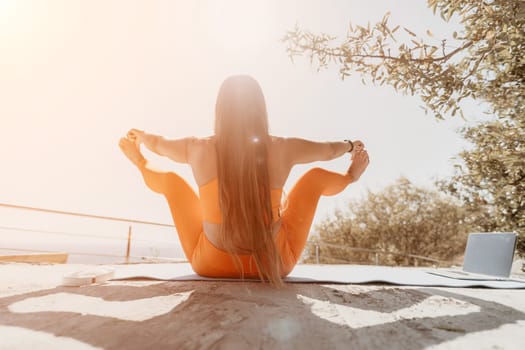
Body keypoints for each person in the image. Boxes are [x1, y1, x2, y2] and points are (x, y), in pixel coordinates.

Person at [119, 75, 369, 285]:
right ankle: (351, 177)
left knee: (172, 183)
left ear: (220, 110)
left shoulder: (196, 148)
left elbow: (160, 145)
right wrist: (350, 146)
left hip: (211, 264)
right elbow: (326, 151)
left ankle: (139, 163)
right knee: (314, 178)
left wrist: (142, 139)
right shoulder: (283, 148)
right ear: (260, 109)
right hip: (272, 264)